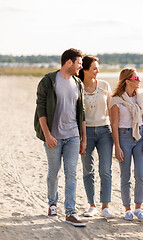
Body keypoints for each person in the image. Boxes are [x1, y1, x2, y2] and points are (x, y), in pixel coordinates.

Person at [34, 48, 87, 227]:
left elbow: (82, 113)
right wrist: (47, 135)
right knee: (54, 172)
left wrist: (83, 138)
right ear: (69, 62)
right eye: (79, 63)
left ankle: (71, 212)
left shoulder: (78, 83)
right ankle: (52, 203)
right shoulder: (49, 80)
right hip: (53, 136)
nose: (81, 66)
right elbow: (41, 109)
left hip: (73, 136)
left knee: (71, 173)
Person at [110, 68, 143, 222]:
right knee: (125, 176)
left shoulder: (141, 97)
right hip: (124, 137)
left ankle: (138, 208)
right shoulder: (116, 100)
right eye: (136, 78)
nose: (138, 80)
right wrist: (117, 146)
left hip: (140, 136)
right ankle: (127, 209)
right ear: (127, 80)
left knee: (141, 174)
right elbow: (114, 125)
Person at [78, 55, 115, 218]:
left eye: (97, 68)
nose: (97, 71)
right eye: (94, 68)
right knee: (88, 170)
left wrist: (116, 133)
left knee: (105, 170)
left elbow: (112, 110)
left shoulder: (104, 85)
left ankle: (105, 206)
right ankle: (92, 205)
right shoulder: (77, 86)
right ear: (85, 70)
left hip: (105, 132)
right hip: (85, 133)